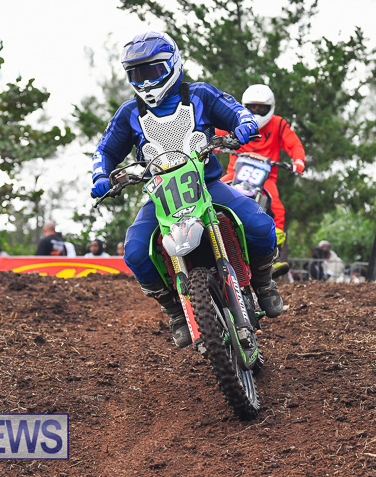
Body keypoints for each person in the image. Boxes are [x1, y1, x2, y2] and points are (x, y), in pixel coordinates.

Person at [89, 31, 282, 348]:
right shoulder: (129, 113)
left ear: (172, 64)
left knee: (260, 224)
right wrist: (100, 176)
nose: (147, 81)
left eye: (152, 71)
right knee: (136, 251)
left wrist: (244, 124)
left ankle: (263, 281)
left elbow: (235, 111)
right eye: (137, 74)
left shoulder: (200, 95)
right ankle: (175, 310)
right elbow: (105, 151)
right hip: (161, 196)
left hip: (206, 185)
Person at [217, 84, 306, 248]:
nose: (256, 112)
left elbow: (294, 144)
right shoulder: (235, 120)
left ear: (270, 108)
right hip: (236, 173)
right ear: (244, 107)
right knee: (213, 192)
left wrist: (298, 161)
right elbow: (213, 133)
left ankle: (275, 250)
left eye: (261, 108)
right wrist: (209, 143)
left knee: (277, 208)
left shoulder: (278, 124)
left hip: (266, 178)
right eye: (252, 107)